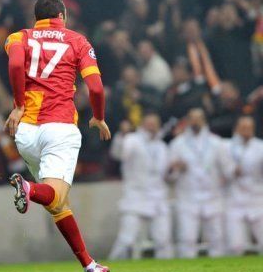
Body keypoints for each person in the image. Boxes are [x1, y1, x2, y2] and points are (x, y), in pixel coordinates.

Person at [3, 0, 111, 272]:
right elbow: (97, 88)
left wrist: (17, 104)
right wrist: (98, 117)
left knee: (57, 204)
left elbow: (15, 67)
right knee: (54, 194)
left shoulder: (18, 37)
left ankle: (89, 265)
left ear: (36, 17)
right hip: (60, 128)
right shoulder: (78, 41)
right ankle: (27, 188)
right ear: (62, 15)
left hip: (25, 132)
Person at [168, 108, 233, 258]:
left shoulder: (217, 143)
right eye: (192, 118)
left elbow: (228, 169)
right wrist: (177, 169)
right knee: (187, 239)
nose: (195, 121)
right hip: (188, 197)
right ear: (188, 121)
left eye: (199, 118)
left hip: (212, 197)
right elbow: (169, 176)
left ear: (204, 120)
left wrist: (224, 179)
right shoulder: (178, 144)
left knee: (217, 238)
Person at [109, 113, 174, 259]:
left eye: (155, 123)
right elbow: (118, 153)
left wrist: (174, 170)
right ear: (143, 124)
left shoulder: (162, 146)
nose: (152, 127)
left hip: (158, 197)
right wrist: (123, 135)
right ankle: (111, 269)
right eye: (149, 123)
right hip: (135, 196)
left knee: (163, 240)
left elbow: (166, 175)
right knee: (127, 239)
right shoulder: (132, 140)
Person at [225, 116, 263, 255]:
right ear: (236, 129)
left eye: (249, 128)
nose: (246, 131)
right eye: (243, 128)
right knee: (236, 245)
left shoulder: (260, 146)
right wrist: (232, 170)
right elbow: (222, 171)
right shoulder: (226, 146)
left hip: (257, 199)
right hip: (235, 199)